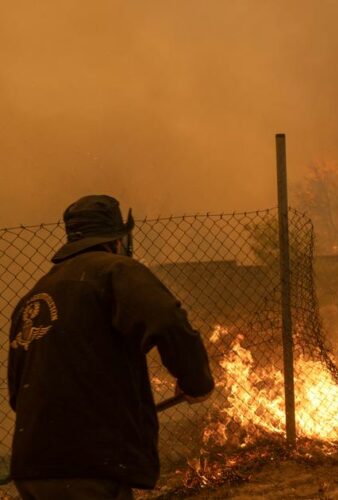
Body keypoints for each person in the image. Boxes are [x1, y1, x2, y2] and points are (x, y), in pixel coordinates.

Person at [7, 195, 215, 499]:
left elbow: (17, 392)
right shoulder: (116, 271)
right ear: (116, 240)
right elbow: (169, 322)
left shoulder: (33, 298)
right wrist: (196, 383)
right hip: (90, 466)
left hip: (33, 468)